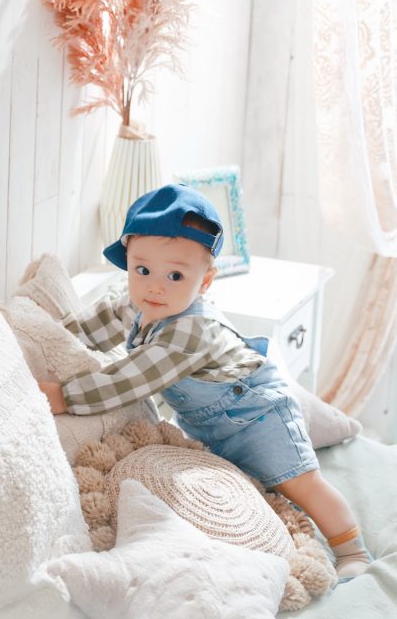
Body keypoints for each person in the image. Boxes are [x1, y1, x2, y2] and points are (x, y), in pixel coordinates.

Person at [38, 183, 372, 581]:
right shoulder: (140, 303)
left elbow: (127, 380)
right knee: (253, 489)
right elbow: (97, 324)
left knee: (301, 484)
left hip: (259, 418)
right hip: (212, 425)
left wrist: (65, 396)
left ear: (205, 282)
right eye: (142, 270)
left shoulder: (189, 332)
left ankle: (352, 549)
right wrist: (52, 334)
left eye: (176, 275)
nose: (155, 286)